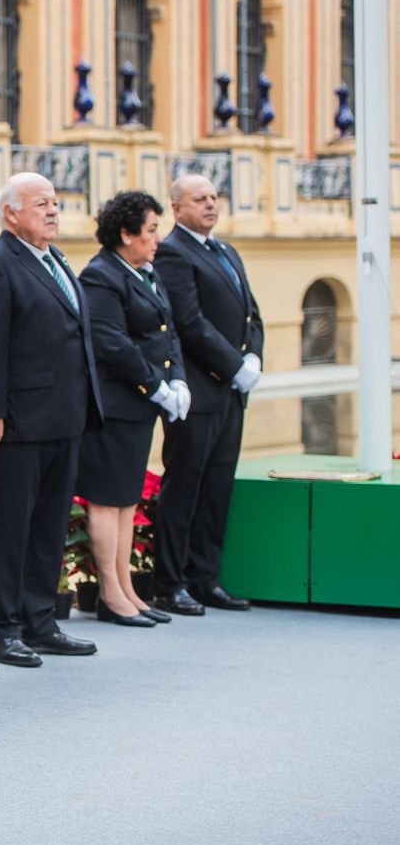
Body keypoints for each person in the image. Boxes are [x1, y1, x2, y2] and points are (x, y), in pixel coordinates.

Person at [0, 172, 103, 668]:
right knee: (10, 529)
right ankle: (2, 630)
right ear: (11, 212)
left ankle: (40, 620)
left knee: (49, 526)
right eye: (40, 204)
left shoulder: (56, 259)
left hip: (64, 419)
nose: (53, 211)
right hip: (20, 425)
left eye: (55, 203)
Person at [151, 174, 264, 615]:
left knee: (217, 488)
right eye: (200, 199)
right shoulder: (174, 253)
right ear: (177, 208)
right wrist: (234, 366)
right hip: (197, 392)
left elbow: (251, 314)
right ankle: (171, 582)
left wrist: (253, 358)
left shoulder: (226, 250)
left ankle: (205, 577)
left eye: (215, 198)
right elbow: (190, 322)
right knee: (185, 488)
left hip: (232, 393)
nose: (211, 205)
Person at [75, 191, 186, 628]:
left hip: (140, 405)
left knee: (126, 500)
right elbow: (112, 342)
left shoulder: (144, 272)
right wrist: (155, 385)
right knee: (107, 500)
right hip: (115, 406)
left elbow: (167, 331)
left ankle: (126, 587)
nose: (157, 239)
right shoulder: (102, 275)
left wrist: (176, 377)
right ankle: (110, 593)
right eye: (152, 229)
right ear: (126, 233)